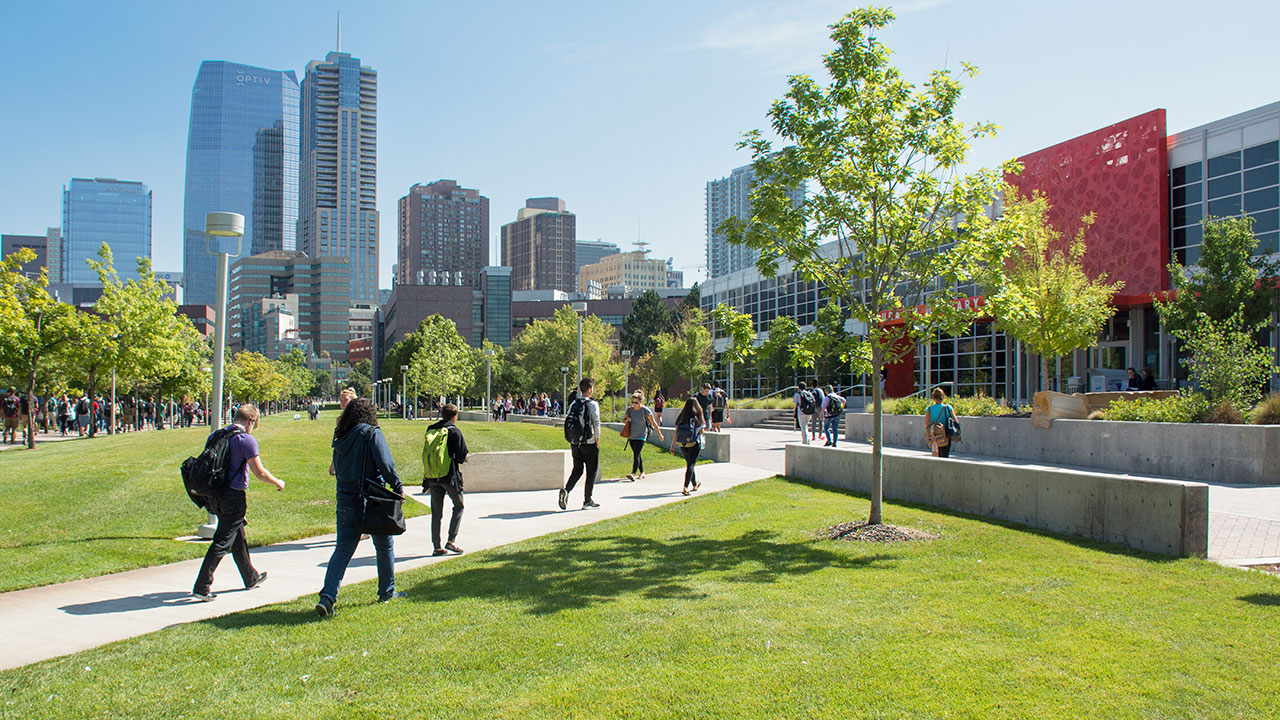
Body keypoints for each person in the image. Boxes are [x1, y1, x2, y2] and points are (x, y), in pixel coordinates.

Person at [317, 397, 404, 617]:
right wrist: (397, 486)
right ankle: (387, 591)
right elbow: (386, 464)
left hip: (346, 498)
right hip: (371, 498)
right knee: (384, 545)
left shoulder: (341, 436)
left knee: (343, 548)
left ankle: (327, 597)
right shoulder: (371, 433)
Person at [192, 404, 285, 601]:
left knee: (237, 534)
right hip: (234, 496)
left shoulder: (216, 436)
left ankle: (250, 577)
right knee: (222, 540)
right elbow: (259, 472)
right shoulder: (245, 440)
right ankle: (202, 586)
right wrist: (277, 482)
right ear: (251, 421)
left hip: (215, 494)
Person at [423, 403, 468, 556]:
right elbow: (462, 456)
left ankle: (437, 546)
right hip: (449, 477)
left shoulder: (431, 429)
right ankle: (451, 541)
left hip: (432, 476)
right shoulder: (454, 431)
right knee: (459, 505)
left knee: (436, 512)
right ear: (454, 416)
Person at [559, 377, 601, 510]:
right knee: (591, 471)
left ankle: (566, 490)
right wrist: (597, 440)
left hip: (575, 443)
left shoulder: (574, 404)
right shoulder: (592, 404)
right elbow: (596, 423)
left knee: (577, 470)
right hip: (589, 442)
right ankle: (587, 500)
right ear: (589, 390)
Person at [669, 395, 705, 495]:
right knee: (691, 464)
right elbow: (701, 432)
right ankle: (685, 487)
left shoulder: (681, 418)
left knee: (689, 463)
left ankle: (694, 485)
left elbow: (676, 432)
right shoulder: (697, 418)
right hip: (694, 443)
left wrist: (672, 445)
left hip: (682, 444)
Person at [624, 390, 664, 481]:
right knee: (637, 454)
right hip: (631, 436)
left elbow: (654, 423)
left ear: (640, 401)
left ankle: (633, 473)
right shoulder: (629, 410)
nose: (634, 404)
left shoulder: (645, 411)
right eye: (633, 402)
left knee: (636, 454)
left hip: (641, 436)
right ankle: (642, 472)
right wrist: (627, 420)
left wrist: (660, 434)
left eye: (636, 402)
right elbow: (624, 420)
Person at [924, 387, 957, 458]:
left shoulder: (929, 410)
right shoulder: (948, 408)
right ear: (943, 397)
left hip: (935, 436)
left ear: (933, 397)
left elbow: (926, 425)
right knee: (945, 456)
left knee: (936, 456)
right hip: (946, 435)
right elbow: (955, 421)